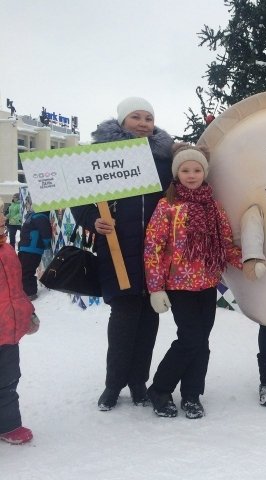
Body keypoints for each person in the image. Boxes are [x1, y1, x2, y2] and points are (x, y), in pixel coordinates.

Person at [71, 97, 173, 411]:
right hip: (117, 250)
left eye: (149, 118)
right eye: (136, 117)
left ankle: (139, 382)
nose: (144, 123)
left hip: (155, 253)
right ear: (122, 121)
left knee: (149, 319)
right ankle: (114, 385)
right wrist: (92, 220)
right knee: (124, 318)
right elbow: (80, 198)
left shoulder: (163, 160)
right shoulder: (103, 157)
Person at [143, 144, 242, 419]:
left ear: (204, 172)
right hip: (178, 284)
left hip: (207, 283)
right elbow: (153, 246)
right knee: (191, 338)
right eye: (185, 170)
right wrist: (156, 287)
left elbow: (226, 243)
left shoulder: (213, 206)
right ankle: (160, 388)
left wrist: (247, 262)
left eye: (197, 169)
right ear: (177, 173)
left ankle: (192, 394)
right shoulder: (167, 206)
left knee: (202, 340)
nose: (191, 174)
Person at [0, 212, 40, 445]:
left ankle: (8, 424)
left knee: (8, 378)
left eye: (3, 223)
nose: (3, 228)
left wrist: (28, 312)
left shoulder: (7, 251)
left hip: (8, 330)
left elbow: (16, 290)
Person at [17, 210, 52, 300]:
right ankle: (27, 292)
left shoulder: (39, 216)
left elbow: (46, 233)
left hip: (31, 249)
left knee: (27, 272)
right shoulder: (34, 217)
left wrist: (46, 243)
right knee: (23, 271)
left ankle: (30, 293)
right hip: (27, 249)